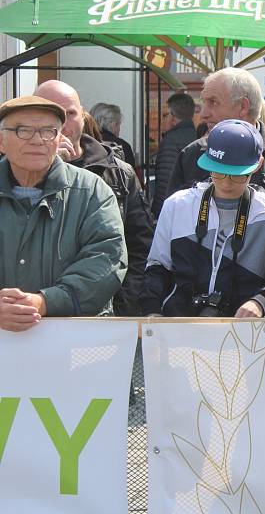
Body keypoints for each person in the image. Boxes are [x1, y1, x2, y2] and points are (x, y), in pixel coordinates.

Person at [0, 96, 127, 331]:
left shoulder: (91, 191)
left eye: (49, 131)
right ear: (1, 140)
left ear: (60, 138)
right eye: (23, 130)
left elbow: (106, 259)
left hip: (73, 342)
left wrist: (45, 301)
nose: (37, 140)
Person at [141, 120, 265, 317]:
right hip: (178, 328)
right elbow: (157, 267)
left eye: (237, 175)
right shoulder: (177, 205)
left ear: (258, 165)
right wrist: (152, 311)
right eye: (218, 172)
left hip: (242, 334)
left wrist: (259, 302)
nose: (226, 183)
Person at [34, 80, 154, 317]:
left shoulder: (118, 172)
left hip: (102, 315)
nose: (62, 123)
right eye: (50, 113)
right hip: (34, 313)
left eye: (70, 113)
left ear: (83, 116)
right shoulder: (15, 171)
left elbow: (141, 246)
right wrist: (47, 170)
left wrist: (123, 306)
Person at [167, 67, 265, 208]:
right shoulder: (191, 155)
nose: (203, 114)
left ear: (243, 106)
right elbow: (173, 216)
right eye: (203, 102)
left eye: (213, 102)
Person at [152, 92, 197, 217]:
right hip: (191, 209)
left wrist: (158, 214)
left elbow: (165, 182)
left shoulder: (171, 141)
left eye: (164, 115)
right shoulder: (196, 137)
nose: (163, 119)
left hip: (172, 211)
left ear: (172, 118)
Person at [90, 102, 137, 169]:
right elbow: (130, 176)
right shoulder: (122, 146)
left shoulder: (84, 142)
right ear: (113, 125)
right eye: (119, 124)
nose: (119, 128)